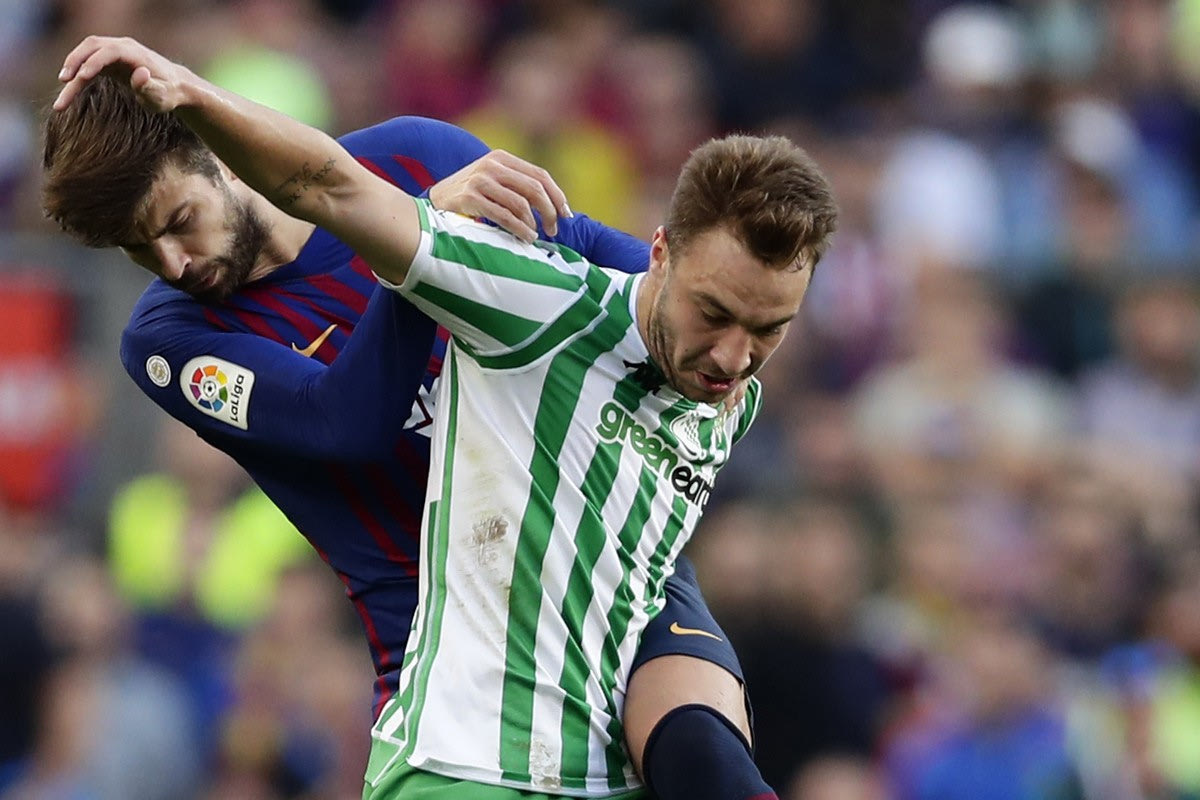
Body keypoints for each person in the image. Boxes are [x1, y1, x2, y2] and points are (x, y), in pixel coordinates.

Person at [37, 39, 816, 800]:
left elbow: (578, 252)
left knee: (705, 758)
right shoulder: (168, 342)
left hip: (606, 562)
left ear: (220, 152)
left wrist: (704, 320)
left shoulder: (412, 157)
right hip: (450, 647)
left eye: (178, 219)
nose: (173, 263)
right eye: (139, 250)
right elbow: (344, 423)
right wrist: (421, 243)